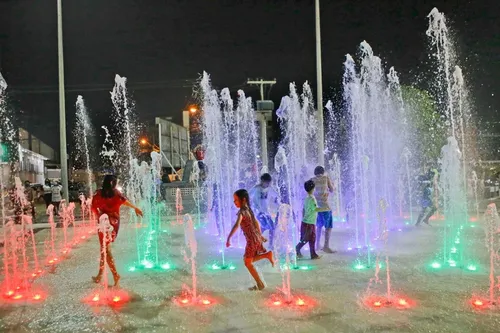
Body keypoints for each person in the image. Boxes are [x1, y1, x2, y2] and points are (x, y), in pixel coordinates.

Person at [91, 175, 143, 287]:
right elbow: (125, 202)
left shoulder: (98, 194)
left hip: (103, 222)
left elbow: (93, 207)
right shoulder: (116, 194)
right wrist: (135, 208)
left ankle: (115, 274)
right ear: (113, 183)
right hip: (114, 222)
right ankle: (100, 275)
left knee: (105, 249)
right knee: (104, 249)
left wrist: (98, 215)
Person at [226, 189, 274, 291]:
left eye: (236, 200)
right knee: (248, 260)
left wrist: (229, 237)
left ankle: (260, 283)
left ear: (243, 200)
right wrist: (260, 236)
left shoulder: (242, 212)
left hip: (251, 240)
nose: (234, 202)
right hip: (255, 238)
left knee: (247, 262)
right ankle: (266, 256)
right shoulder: (249, 210)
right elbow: (256, 223)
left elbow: (237, 225)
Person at [296, 180, 323, 260]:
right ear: (313, 188)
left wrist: (303, 218)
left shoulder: (307, 198)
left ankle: (313, 254)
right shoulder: (311, 198)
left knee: (312, 238)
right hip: (308, 223)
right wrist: (325, 208)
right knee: (306, 239)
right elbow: (315, 209)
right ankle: (297, 248)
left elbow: (303, 209)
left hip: (309, 222)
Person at [249, 173, 278, 247]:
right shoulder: (256, 188)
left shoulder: (269, 188)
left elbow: (277, 196)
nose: (268, 184)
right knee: (267, 226)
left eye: (269, 182)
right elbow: (248, 195)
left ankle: (270, 244)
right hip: (258, 212)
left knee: (270, 228)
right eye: (267, 182)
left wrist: (279, 203)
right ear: (262, 181)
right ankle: (257, 243)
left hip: (266, 212)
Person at [312, 166, 336, 253]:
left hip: (317, 208)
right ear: (323, 172)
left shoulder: (312, 180)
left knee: (319, 226)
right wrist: (333, 186)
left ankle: (317, 244)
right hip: (326, 207)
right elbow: (332, 190)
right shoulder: (326, 178)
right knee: (328, 227)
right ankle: (326, 246)